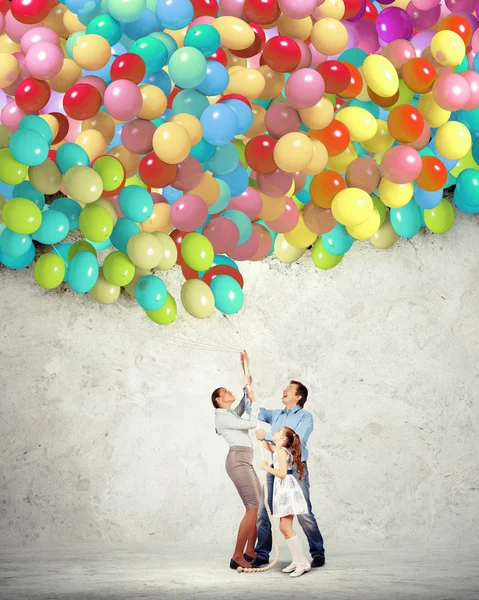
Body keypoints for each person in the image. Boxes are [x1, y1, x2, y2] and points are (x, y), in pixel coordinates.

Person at [243, 354, 325, 568]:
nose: (285, 390)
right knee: (264, 511)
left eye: (289, 388)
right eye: (285, 387)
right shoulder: (275, 414)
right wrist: (247, 388)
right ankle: (262, 554)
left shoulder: (305, 417)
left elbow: (293, 438)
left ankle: (317, 552)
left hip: (295, 470)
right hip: (274, 469)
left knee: (303, 512)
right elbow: (253, 409)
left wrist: (266, 437)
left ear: (298, 397)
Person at [212, 352, 261, 570]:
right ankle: (237, 556)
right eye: (225, 392)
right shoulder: (222, 416)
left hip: (245, 460)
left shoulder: (231, 414)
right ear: (218, 400)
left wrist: (245, 366)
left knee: (256, 507)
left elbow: (245, 396)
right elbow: (251, 421)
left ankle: (251, 551)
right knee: (252, 506)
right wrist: (255, 402)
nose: (229, 392)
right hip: (238, 461)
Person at [260, 426, 311, 578]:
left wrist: (265, 467)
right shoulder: (280, 450)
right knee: (284, 527)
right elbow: (267, 446)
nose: (274, 432)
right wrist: (261, 437)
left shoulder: (281, 452)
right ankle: (297, 560)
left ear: (282, 439)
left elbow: (282, 473)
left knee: (286, 527)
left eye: (278, 432)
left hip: (286, 490)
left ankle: (302, 562)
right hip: (285, 489)